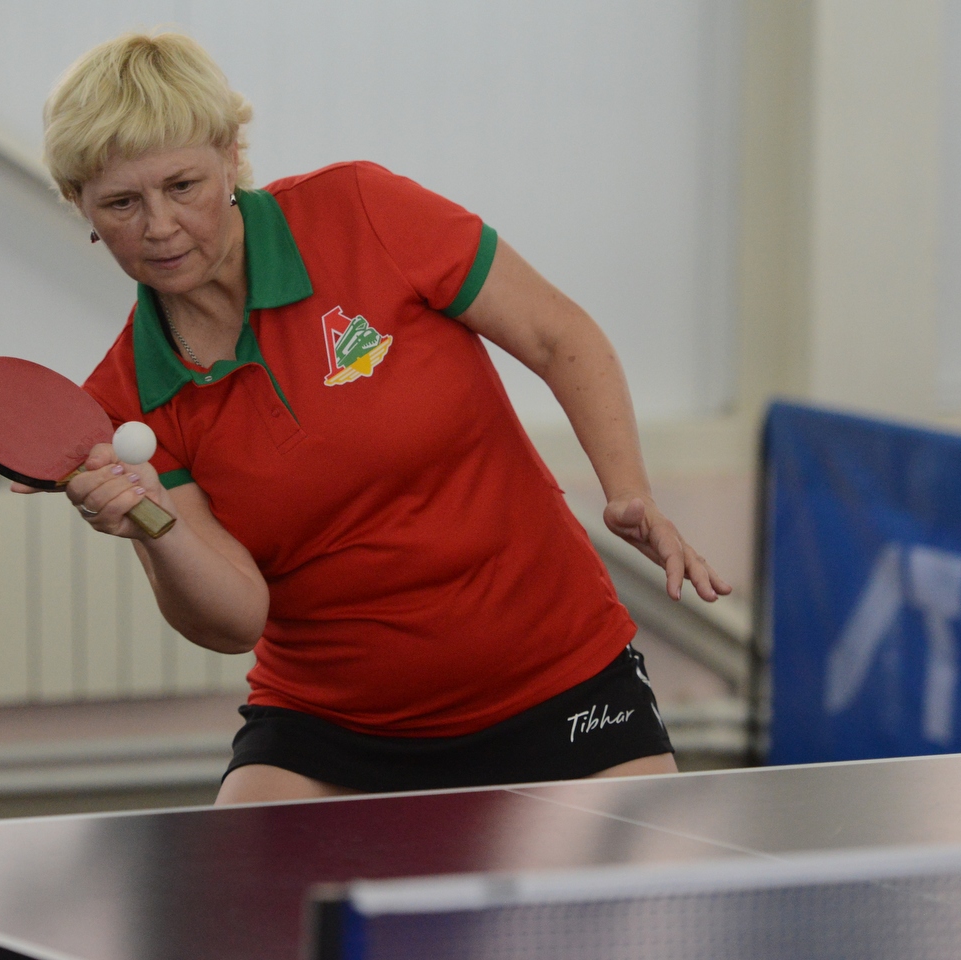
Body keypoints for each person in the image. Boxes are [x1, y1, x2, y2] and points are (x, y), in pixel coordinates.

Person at [36, 31, 731, 805]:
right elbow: (235, 621)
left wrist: (628, 490)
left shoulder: (362, 211)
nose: (161, 225)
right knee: (239, 870)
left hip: (559, 681)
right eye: (123, 203)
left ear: (230, 157)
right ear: (80, 205)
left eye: (182, 185)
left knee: (657, 876)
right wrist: (150, 523)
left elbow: (556, 335)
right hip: (333, 728)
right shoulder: (126, 399)